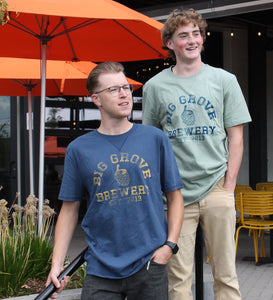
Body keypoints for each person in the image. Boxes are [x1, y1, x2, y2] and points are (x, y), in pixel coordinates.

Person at [46, 61, 184, 300]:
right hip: (101, 267)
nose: (124, 94)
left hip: (150, 264)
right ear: (96, 99)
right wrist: (57, 264)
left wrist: (169, 246)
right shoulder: (79, 149)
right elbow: (69, 210)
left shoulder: (155, 139)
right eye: (113, 89)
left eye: (126, 87)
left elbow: (175, 197)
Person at [142, 8, 252, 300]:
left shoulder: (224, 80)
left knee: (226, 274)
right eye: (183, 35)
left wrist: (229, 185)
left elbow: (236, 137)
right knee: (178, 279)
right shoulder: (155, 87)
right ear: (170, 43)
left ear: (203, 39)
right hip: (175, 194)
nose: (192, 40)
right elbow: (150, 142)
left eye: (196, 34)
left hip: (217, 187)